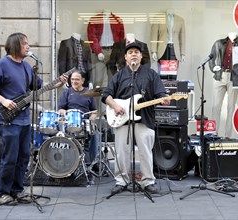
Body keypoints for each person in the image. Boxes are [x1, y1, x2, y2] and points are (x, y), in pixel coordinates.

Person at [0, 32, 67, 205]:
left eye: (28, 43)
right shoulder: (1, 64)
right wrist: (3, 100)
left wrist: (57, 84)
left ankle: (17, 191)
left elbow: (39, 86)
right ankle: (2, 192)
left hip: (25, 119)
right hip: (9, 120)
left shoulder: (27, 67)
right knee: (10, 158)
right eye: (24, 43)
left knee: (24, 157)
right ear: (14, 45)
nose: (28, 46)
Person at [101, 42, 170, 194]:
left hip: (144, 119)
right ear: (126, 57)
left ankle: (148, 181)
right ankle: (121, 181)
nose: (133, 54)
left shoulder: (151, 74)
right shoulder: (119, 75)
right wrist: (115, 106)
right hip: (122, 120)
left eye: (136, 52)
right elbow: (106, 96)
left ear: (140, 56)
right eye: (130, 52)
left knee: (145, 152)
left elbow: (161, 93)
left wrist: (164, 98)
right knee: (121, 152)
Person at [58, 70, 99, 177]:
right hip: (70, 123)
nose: (74, 81)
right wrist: (65, 113)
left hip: (85, 123)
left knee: (96, 135)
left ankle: (92, 163)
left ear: (82, 81)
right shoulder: (67, 92)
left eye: (77, 79)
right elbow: (61, 109)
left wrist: (92, 118)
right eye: (72, 79)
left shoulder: (89, 93)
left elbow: (94, 111)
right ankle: (70, 165)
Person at [208, 32, 238, 138]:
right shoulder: (219, 43)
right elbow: (211, 59)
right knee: (215, 106)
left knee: (231, 107)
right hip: (220, 75)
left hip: (234, 77)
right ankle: (213, 134)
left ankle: (228, 136)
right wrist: (214, 70)